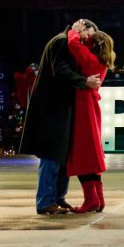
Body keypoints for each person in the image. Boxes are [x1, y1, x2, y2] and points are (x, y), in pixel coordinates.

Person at [18, 19, 101, 215]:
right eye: (88, 35)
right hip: (52, 109)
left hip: (59, 108)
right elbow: (61, 70)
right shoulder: (62, 42)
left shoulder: (65, 42)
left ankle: (57, 199)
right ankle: (46, 201)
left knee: (62, 156)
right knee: (52, 156)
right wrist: (84, 81)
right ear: (81, 27)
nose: (88, 40)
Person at [67, 30, 116, 213]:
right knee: (92, 157)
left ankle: (91, 200)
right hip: (90, 108)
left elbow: (74, 45)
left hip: (83, 108)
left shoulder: (91, 61)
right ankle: (98, 199)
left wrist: (74, 30)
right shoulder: (101, 62)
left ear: (94, 45)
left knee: (83, 157)